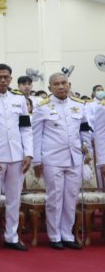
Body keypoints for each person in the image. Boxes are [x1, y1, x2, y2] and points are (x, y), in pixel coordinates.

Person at [32, 72, 92, 249]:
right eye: (56, 84)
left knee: (71, 198)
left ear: (69, 84)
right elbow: (36, 135)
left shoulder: (79, 105)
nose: (60, 86)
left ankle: (67, 234)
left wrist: (87, 151)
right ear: (49, 87)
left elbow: (84, 129)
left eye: (63, 83)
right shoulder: (42, 107)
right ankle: (54, 235)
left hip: (75, 157)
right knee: (55, 197)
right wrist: (37, 161)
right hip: (52, 158)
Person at [0, 64, 32, 250]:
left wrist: (28, 153)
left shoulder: (18, 99)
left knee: (14, 200)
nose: (2, 80)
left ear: (10, 78)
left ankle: (12, 237)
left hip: (17, 156)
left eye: (6, 77)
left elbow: (25, 128)